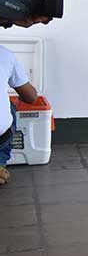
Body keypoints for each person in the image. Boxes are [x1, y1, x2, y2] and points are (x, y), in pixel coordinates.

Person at [0, 42, 38, 184]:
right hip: (1, 138)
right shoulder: (5, 54)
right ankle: (0, 161)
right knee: (9, 106)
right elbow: (31, 97)